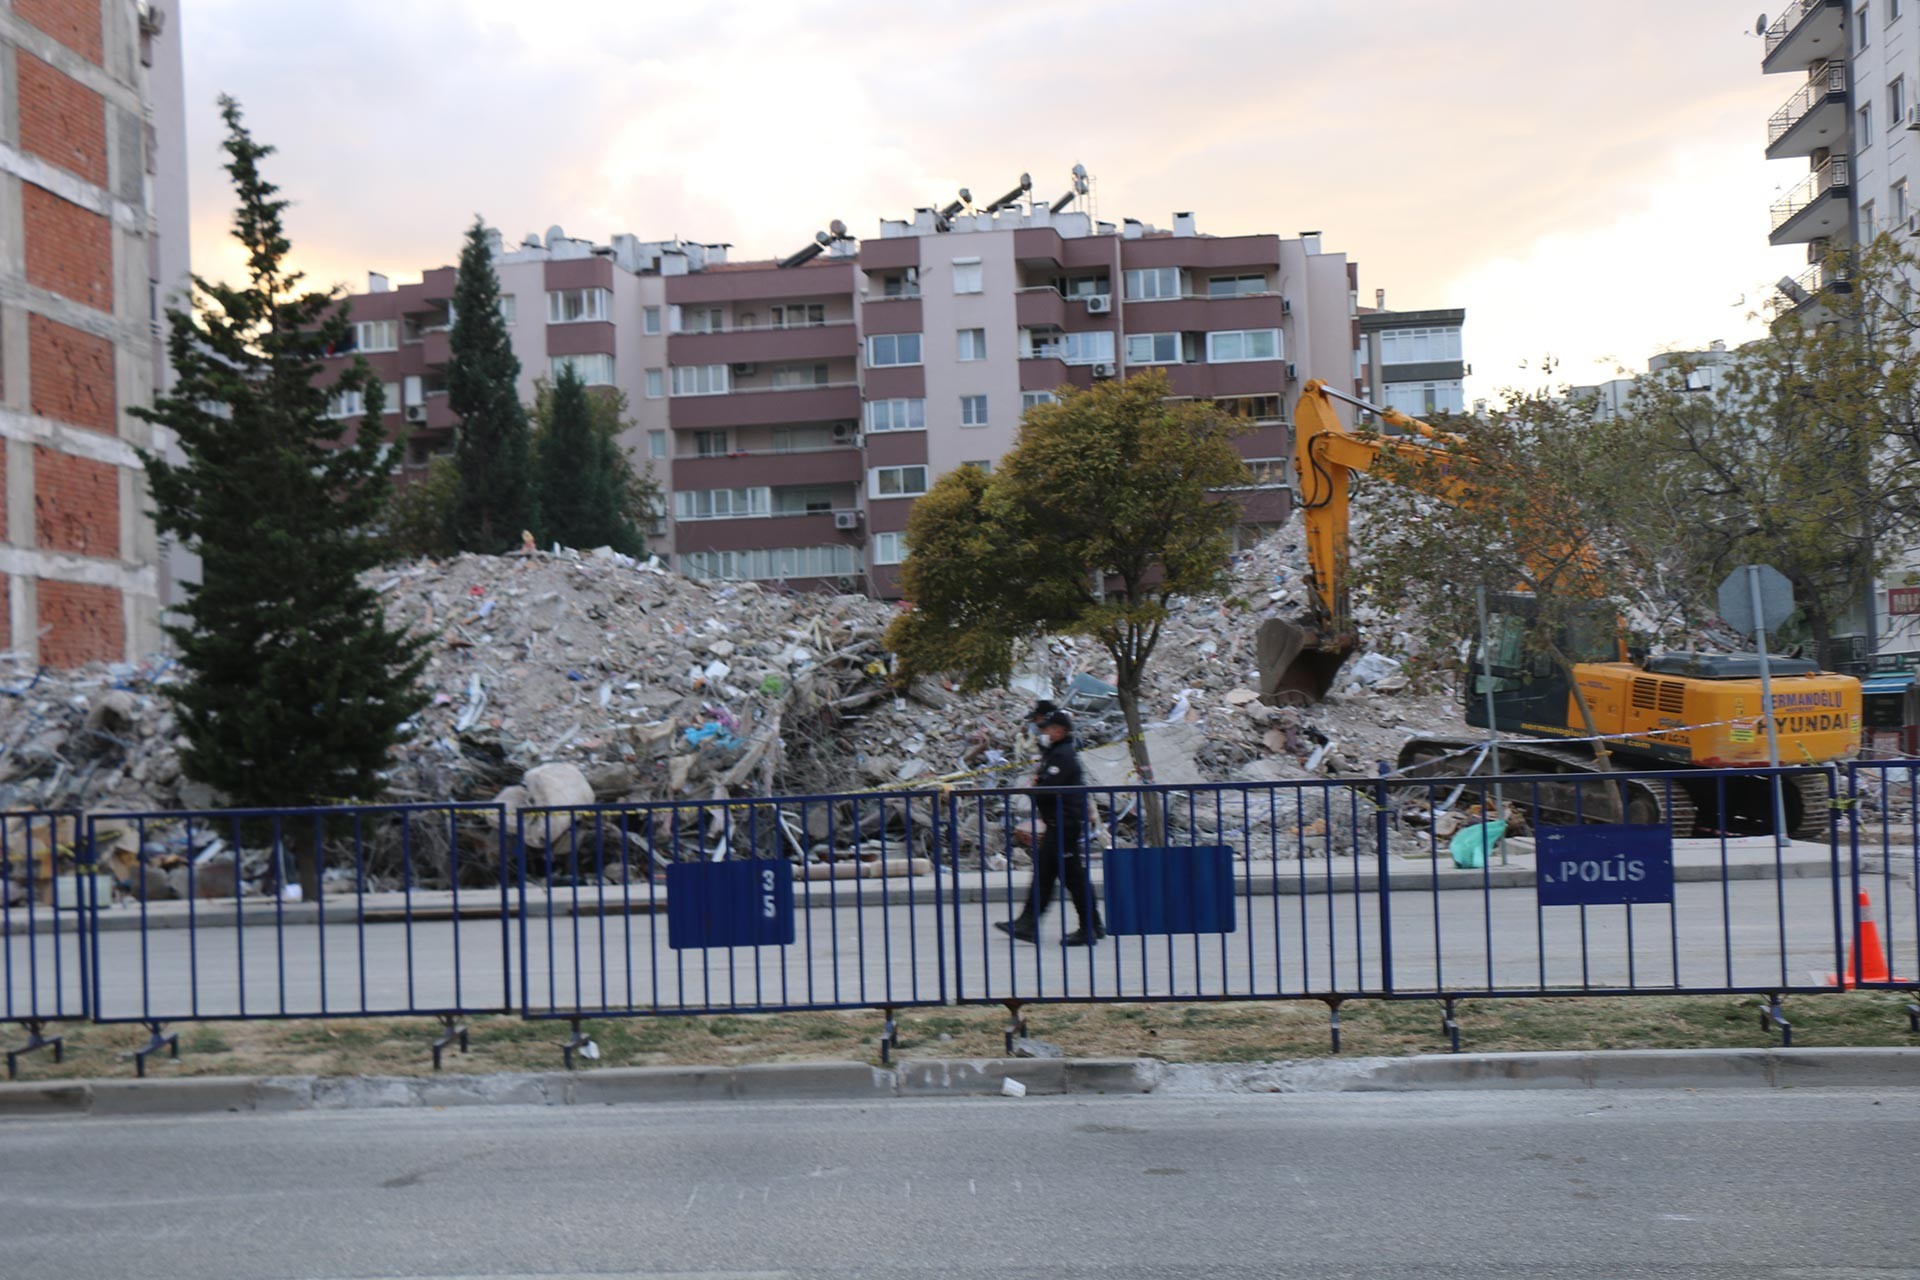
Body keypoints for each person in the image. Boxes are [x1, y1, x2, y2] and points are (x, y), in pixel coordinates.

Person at [997, 710, 1104, 946]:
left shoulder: (1063, 755)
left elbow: (1046, 786)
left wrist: (1037, 783)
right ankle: (1031, 924)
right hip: (1058, 824)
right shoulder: (1055, 753)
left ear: (1059, 730)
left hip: (1064, 824)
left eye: (1047, 728)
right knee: (1048, 876)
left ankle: (1088, 927)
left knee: (1069, 878)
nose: (1043, 732)